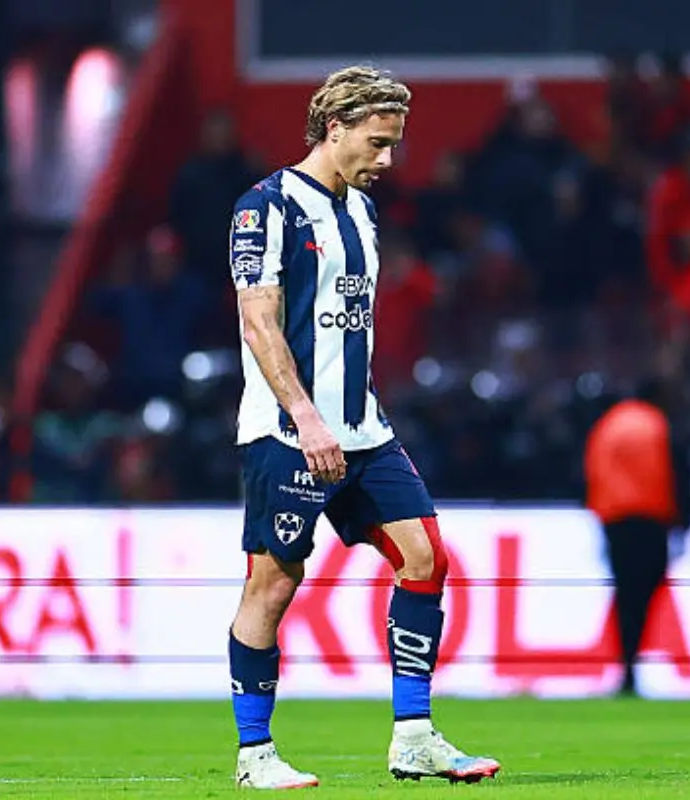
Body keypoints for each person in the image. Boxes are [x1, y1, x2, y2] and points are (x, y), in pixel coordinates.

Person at [226, 66, 500, 790]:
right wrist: (307, 417)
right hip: (288, 432)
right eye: (376, 144)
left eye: (394, 146)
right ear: (334, 128)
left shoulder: (364, 214)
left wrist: (346, 416)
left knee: (425, 556)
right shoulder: (266, 208)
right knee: (273, 586)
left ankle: (414, 737)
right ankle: (255, 757)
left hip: (362, 429)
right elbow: (259, 321)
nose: (386, 161)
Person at [583, 373, 690, 696]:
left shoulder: (609, 425)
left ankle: (627, 664)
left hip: (615, 520)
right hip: (650, 519)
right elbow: (679, 473)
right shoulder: (659, 425)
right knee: (644, 593)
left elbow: (592, 472)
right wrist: (685, 518)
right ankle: (632, 662)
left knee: (625, 593)